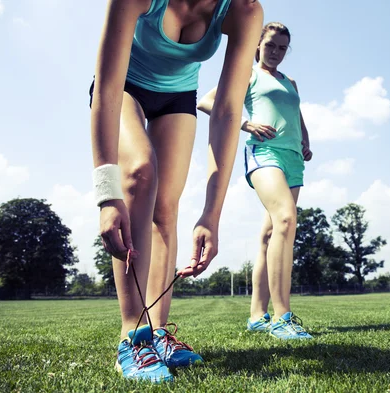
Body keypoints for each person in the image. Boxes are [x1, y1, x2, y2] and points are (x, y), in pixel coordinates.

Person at [90, 0, 264, 383]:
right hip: (124, 86)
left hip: (178, 96)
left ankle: (158, 331)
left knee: (166, 211)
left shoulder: (244, 10)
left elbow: (227, 111)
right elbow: (106, 87)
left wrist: (211, 216)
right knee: (139, 172)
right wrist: (107, 193)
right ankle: (132, 337)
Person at [197, 22, 313, 340]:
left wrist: (305, 141)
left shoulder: (291, 82)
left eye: (282, 48)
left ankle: (256, 316)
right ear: (258, 44)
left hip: (292, 161)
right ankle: (281, 317)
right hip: (265, 154)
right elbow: (207, 102)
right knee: (287, 220)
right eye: (270, 45)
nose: (275, 52)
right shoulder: (248, 74)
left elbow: (297, 117)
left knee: (270, 234)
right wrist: (247, 124)